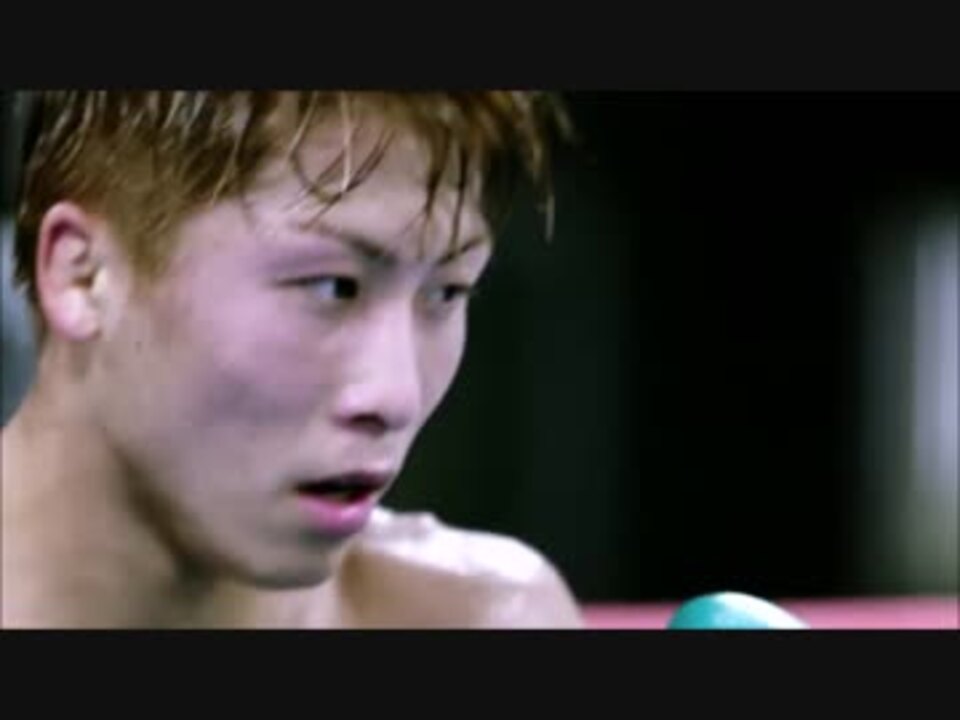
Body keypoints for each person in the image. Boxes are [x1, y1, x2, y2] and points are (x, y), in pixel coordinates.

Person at [1, 91, 583, 628]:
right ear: (83, 276)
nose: (397, 398)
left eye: (446, 292)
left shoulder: (484, 618)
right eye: (333, 287)